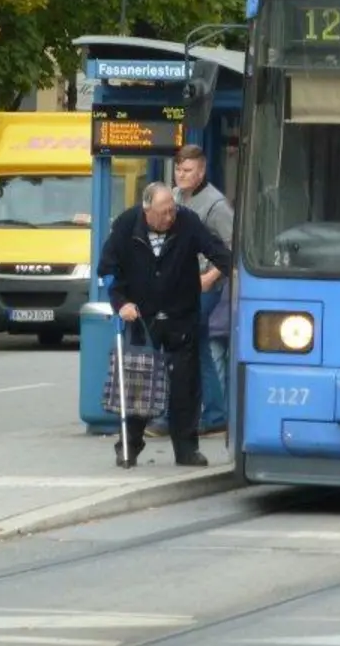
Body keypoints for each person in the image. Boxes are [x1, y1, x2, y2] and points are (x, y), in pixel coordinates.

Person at [97, 181, 232, 467]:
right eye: (163, 213)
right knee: (138, 385)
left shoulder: (187, 221)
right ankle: (129, 446)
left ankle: (186, 449)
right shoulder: (126, 225)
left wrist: (222, 272)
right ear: (147, 211)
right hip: (141, 317)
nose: (170, 217)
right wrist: (121, 304)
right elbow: (108, 270)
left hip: (181, 315)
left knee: (186, 386)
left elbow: (217, 250)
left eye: (172, 210)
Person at [172, 145, 233, 434]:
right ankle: (215, 414)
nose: (181, 175)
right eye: (178, 169)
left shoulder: (216, 205)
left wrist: (210, 278)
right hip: (178, 285)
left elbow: (234, 247)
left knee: (187, 342)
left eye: (187, 170)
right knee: (199, 347)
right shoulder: (172, 197)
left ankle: (184, 414)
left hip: (203, 286)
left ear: (202, 171)